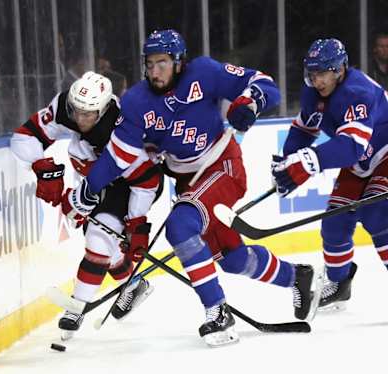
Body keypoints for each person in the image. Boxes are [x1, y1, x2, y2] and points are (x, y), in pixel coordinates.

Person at [61, 29, 317, 347]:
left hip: (222, 167)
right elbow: (117, 156)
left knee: (181, 225)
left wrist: (249, 103)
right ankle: (298, 277)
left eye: (163, 63)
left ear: (180, 62)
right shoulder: (136, 101)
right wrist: (90, 189)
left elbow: (265, 85)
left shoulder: (205, 73)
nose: (155, 71)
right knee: (233, 259)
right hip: (187, 180)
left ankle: (217, 311)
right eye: (150, 63)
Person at [10, 71, 163, 340]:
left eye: (87, 114)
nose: (79, 118)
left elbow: (147, 181)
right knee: (104, 240)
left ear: (103, 110)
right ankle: (134, 284)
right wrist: (42, 166)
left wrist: (137, 223)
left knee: (99, 237)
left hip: (134, 184)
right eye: (76, 110)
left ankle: (76, 307)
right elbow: (24, 137)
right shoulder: (65, 108)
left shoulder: (123, 130)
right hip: (93, 179)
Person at [272, 38, 388, 311]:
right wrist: (289, 160)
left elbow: (351, 147)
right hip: (361, 163)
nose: (317, 80)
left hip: (384, 155)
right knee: (335, 221)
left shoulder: (357, 92)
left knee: (377, 215)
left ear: (339, 70)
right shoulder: (313, 93)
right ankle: (339, 285)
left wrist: (310, 160)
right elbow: (304, 129)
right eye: (312, 74)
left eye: (322, 73)